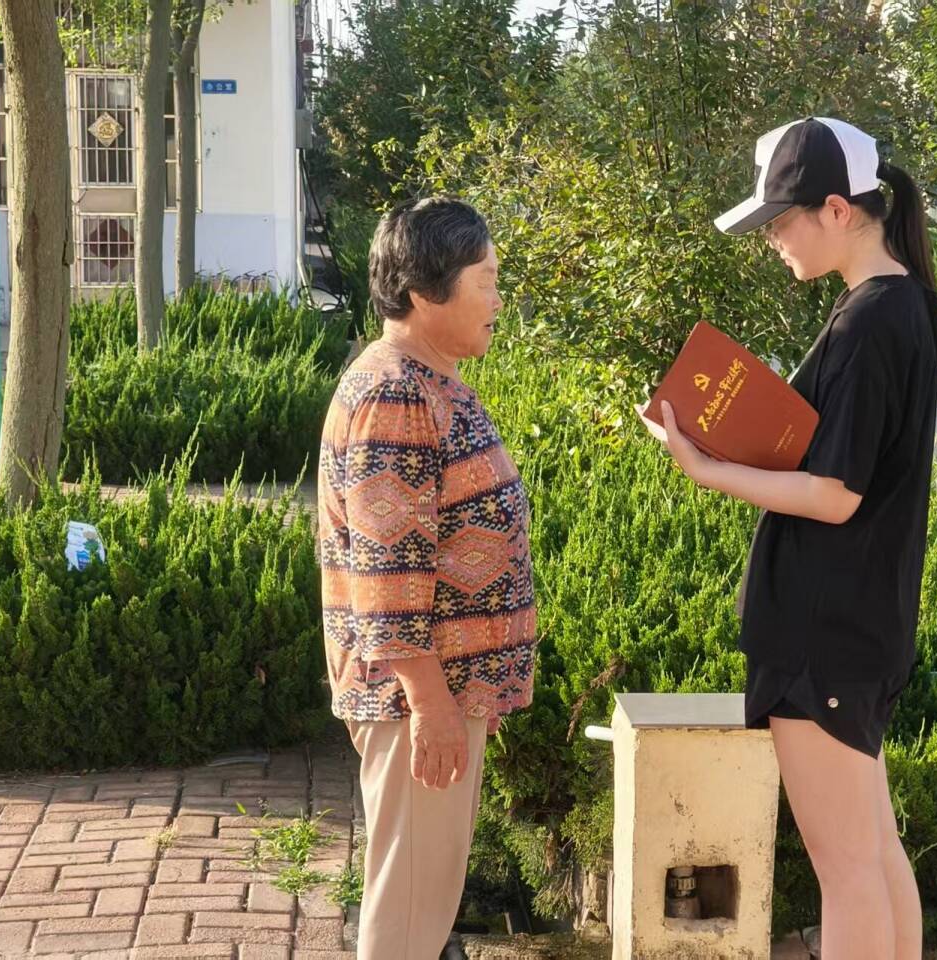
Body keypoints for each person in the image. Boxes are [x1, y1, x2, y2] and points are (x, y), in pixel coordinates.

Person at [638, 117, 937, 959]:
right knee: (874, 855)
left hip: (825, 635)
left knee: (847, 873)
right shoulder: (896, 304)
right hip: (859, 624)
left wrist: (707, 469)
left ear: (838, 210)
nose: (773, 239)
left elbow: (836, 495)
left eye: (782, 220)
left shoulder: (870, 322)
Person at [317, 197, 536, 960]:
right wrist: (432, 703)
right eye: (487, 280)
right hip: (414, 699)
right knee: (408, 915)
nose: (499, 298)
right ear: (424, 292)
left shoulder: (427, 380)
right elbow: (388, 568)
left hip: (440, 692)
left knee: (422, 903)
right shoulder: (396, 396)